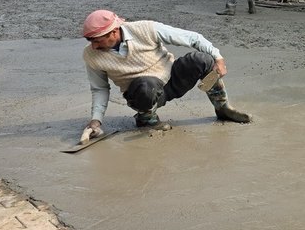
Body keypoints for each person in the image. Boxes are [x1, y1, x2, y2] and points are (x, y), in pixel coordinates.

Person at [78, 9, 253, 142]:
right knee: (146, 85)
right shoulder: (91, 55)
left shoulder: (145, 29)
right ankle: (147, 118)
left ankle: (223, 108)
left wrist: (218, 58)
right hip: (142, 94)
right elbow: (99, 89)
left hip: (171, 79)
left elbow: (192, 38)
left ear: (114, 32)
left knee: (202, 60)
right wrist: (95, 121)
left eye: (97, 41)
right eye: (90, 41)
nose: (93, 46)